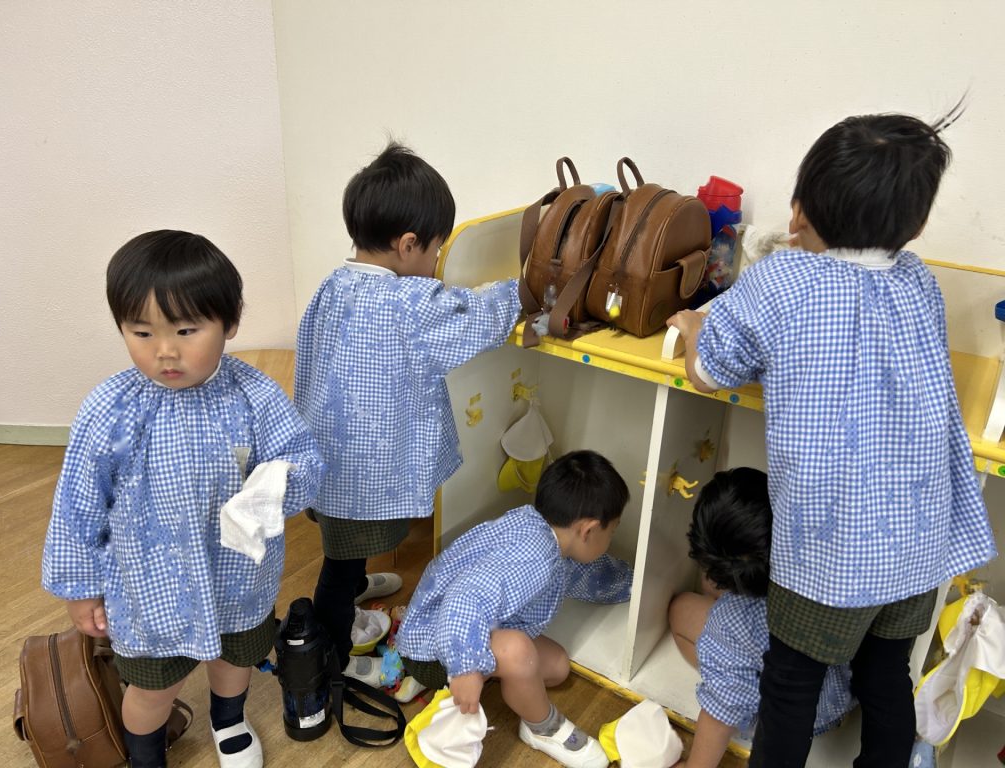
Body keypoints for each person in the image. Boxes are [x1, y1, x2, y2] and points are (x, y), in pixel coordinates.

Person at [666, 106, 997, 767]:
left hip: (831, 552)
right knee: (885, 675)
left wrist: (695, 330)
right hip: (917, 545)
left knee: (791, 684)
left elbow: (709, 371)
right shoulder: (918, 281)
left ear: (797, 213)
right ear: (916, 225)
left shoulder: (781, 280)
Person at [42, 231, 325, 768]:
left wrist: (271, 487)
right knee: (152, 686)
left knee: (235, 657)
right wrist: (80, 588)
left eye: (186, 330)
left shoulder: (255, 395)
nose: (164, 351)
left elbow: (303, 461)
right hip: (149, 587)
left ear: (230, 322)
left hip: (239, 574)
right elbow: (78, 505)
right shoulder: (110, 409)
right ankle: (145, 755)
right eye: (141, 332)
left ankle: (229, 720)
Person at [294, 142, 522, 684]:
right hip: (363, 473)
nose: (436, 264)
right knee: (339, 565)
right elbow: (474, 317)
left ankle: (354, 588)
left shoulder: (333, 285)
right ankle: (331, 659)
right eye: (436, 251)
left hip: (324, 456)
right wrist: (525, 292)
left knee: (342, 545)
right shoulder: (407, 302)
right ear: (408, 244)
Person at [396, 450, 634, 768]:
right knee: (519, 652)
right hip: (436, 651)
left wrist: (636, 586)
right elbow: (464, 600)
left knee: (556, 667)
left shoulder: (545, 531)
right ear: (588, 530)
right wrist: (466, 668)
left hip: (463, 631)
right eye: (612, 531)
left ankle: (496, 678)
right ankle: (543, 728)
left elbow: (589, 575)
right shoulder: (533, 557)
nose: (610, 539)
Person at [667, 468, 854, 768]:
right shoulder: (824, 552)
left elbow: (719, 714)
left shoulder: (730, 622)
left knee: (680, 609)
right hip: (836, 696)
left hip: (777, 717)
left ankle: (734, 677)